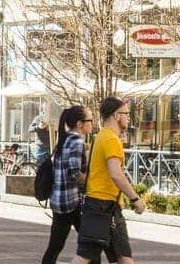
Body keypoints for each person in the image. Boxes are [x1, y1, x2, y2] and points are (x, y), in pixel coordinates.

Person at [73, 96, 145, 264]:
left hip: (108, 206)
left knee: (124, 257)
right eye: (126, 113)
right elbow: (116, 174)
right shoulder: (111, 139)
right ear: (116, 115)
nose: (129, 117)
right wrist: (135, 198)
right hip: (102, 205)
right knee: (84, 257)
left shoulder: (100, 137)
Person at [42, 105, 99, 264]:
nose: (92, 124)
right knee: (91, 244)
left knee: (56, 245)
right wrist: (92, 181)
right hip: (72, 202)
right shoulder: (76, 141)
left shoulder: (65, 139)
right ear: (80, 124)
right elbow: (74, 173)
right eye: (90, 120)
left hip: (59, 200)